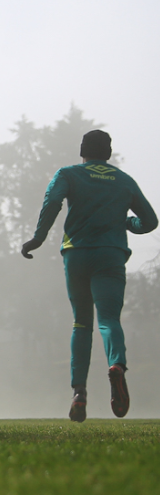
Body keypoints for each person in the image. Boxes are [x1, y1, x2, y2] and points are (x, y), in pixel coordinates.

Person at [21, 130, 157, 422]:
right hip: (110, 254)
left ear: (83, 151)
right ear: (108, 153)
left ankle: (79, 392)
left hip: (77, 254)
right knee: (109, 320)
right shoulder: (124, 180)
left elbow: (52, 202)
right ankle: (117, 365)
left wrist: (38, 238)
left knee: (81, 323)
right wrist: (127, 223)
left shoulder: (68, 174)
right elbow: (150, 221)